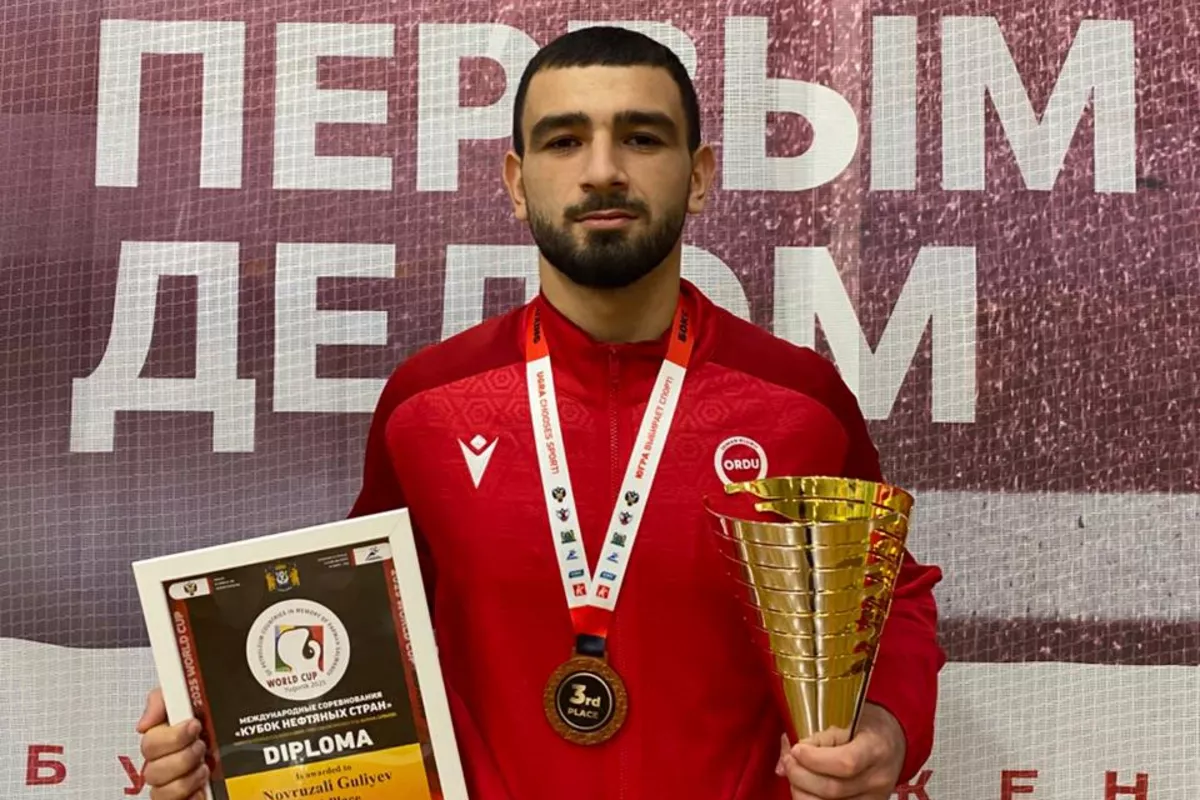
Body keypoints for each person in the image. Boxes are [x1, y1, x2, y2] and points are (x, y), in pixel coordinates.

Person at [135, 25, 944, 800]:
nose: (603, 171)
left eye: (642, 137)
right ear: (518, 184)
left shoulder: (799, 404)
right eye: (564, 141)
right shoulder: (426, 405)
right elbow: (361, 624)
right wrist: (220, 711)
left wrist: (887, 726)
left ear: (698, 176)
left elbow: (893, 599)